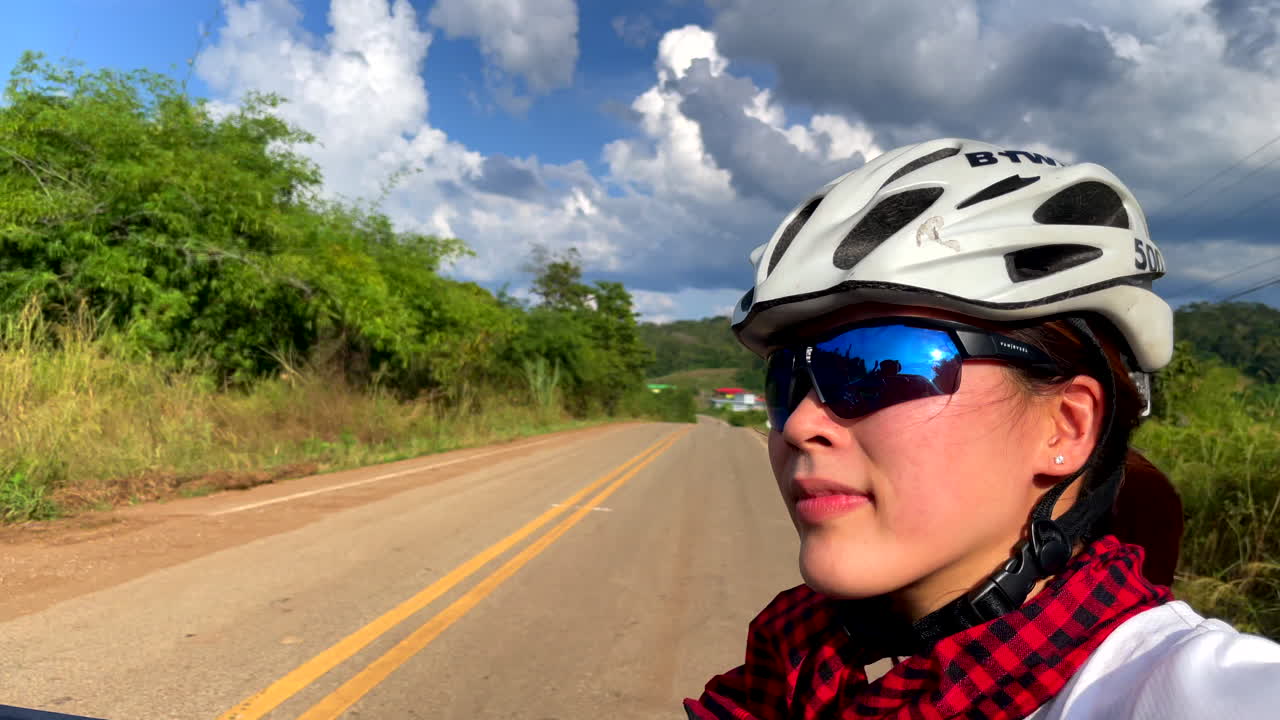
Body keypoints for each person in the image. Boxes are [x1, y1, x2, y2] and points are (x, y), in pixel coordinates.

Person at [683, 138, 1280, 719]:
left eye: (878, 365)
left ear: (1066, 426)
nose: (801, 423)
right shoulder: (794, 669)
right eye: (787, 380)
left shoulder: (1174, 689)